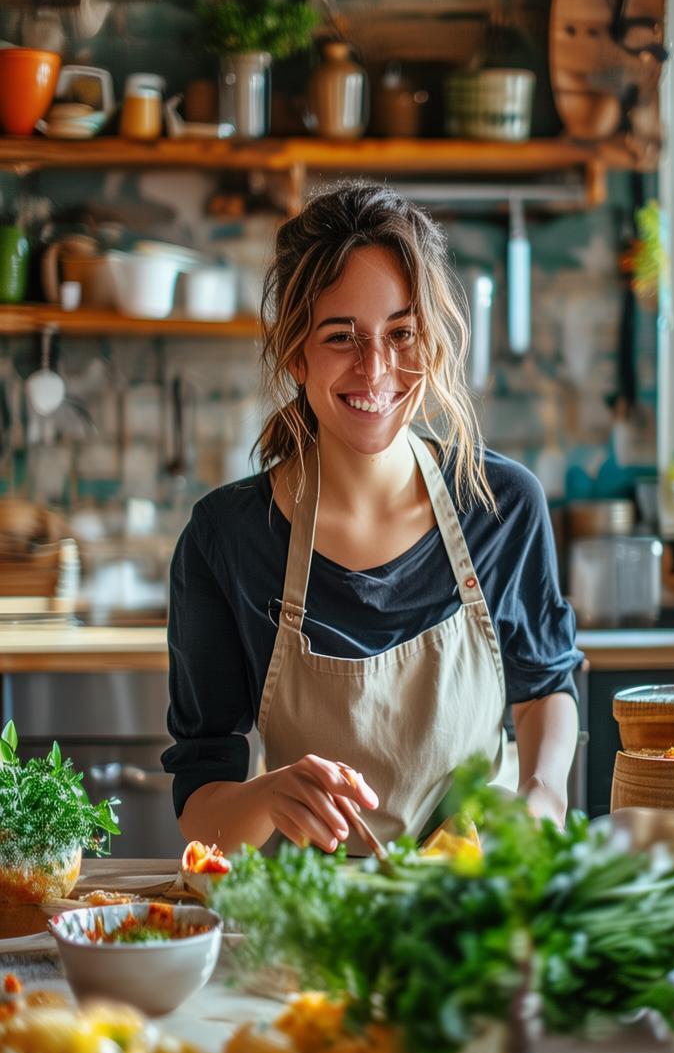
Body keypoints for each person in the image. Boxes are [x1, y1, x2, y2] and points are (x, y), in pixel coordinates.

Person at [162, 183, 582, 856]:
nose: (376, 368)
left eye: (401, 333)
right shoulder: (225, 540)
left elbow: (543, 690)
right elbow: (201, 805)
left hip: (477, 897)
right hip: (316, 909)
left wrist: (543, 796)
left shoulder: (500, 504)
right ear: (296, 354)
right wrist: (265, 797)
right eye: (341, 337)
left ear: (432, 343)